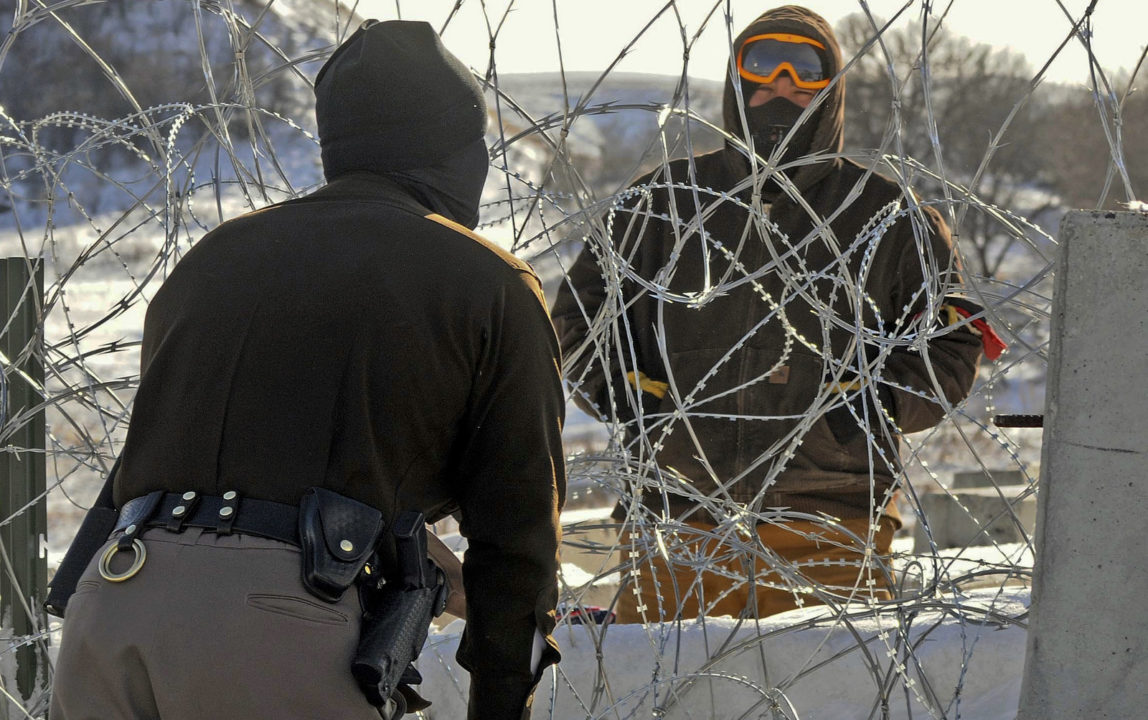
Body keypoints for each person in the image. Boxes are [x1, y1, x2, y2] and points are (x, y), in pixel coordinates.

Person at [49, 20, 565, 720]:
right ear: (456, 149)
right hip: (275, 633)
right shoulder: (486, 283)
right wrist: (504, 697)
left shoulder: (214, 259)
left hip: (112, 611)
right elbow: (517, 539)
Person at [551, 5, 1001, 622]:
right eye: (761, 64)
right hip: (677, 518)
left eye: (804, 68)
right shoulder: (661, 203)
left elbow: (951, 343)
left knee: (827, 692)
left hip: (832, 520)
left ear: (832, 86)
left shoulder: (891, 216)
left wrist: (874, 404)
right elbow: (577, 320)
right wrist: (625, 394)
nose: (781, 83)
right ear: (736, 80)